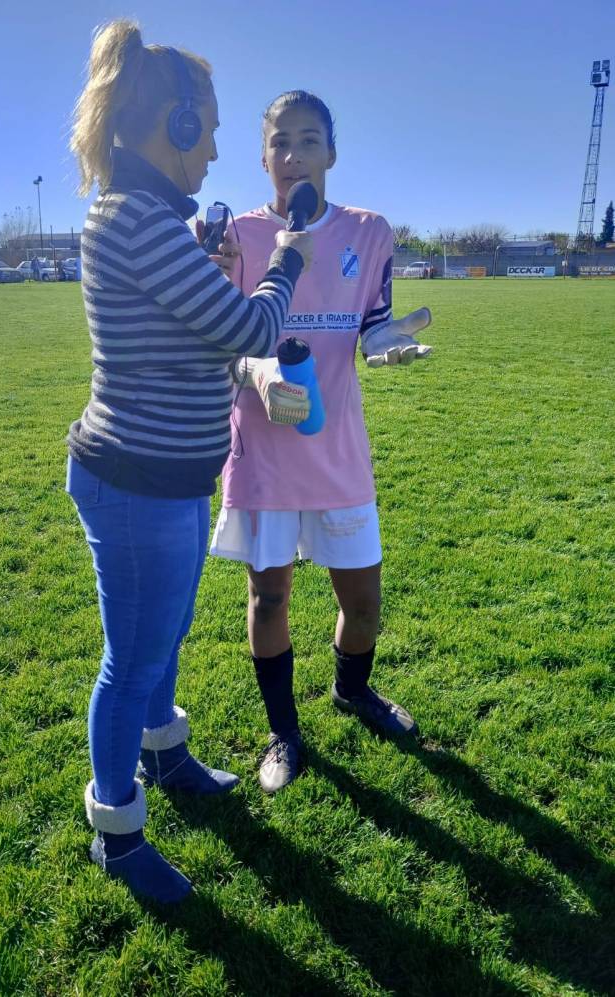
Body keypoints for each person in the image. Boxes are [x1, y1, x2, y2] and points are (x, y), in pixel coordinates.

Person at [66, 23, 311, 902]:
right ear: (168, 127)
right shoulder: (138, 220)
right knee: (130, 662)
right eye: (202, 127)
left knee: (159, 640)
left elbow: (194, 334)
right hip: (135, 483)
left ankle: (163, 758)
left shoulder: (142, 219)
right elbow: (250, 329)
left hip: (159, 480)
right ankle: (118, 833)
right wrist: (285, 257)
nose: (213, 148)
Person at [210, 91, 432, 793]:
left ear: (331, 153)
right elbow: (219, 347)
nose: (293, 155)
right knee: (269, 599)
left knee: (364, 605)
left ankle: (352, 689)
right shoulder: (237, 238)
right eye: (280, 142)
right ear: (264, 157)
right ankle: (283, 733)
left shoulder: (370, 233)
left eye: (308, 140)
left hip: (339, 454)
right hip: (263, 454)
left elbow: (373, 328)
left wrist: (386, 344)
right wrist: (258, 369)